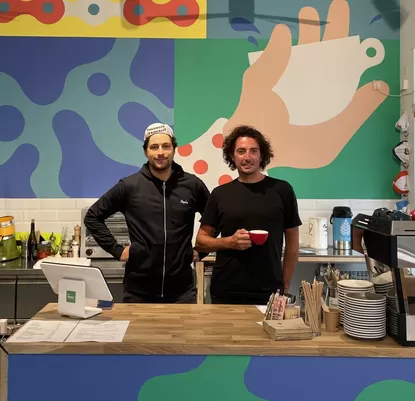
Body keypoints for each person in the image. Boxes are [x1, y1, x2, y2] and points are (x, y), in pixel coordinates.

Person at [84, 123, 210, 303]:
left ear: (174, 149)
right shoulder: (129, 186)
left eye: (166, 146)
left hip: (182, 292)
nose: (160, 152)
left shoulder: (192, 185)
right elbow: (92, 217)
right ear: (146, 152)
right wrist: (117, 250)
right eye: (154, 147)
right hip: (138, 292)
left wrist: (201, 251)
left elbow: (216, 219)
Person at [195, 125, 301, 305]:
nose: (247, 157)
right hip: (226, 289)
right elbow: (201, 242)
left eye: (253, 151)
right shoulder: (220, 194)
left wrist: (285, 284)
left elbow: (292, 245)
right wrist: (230, 242)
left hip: (269, 289)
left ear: (262, 155)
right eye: (241, 151)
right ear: (232, 156)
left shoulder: (282, 190)